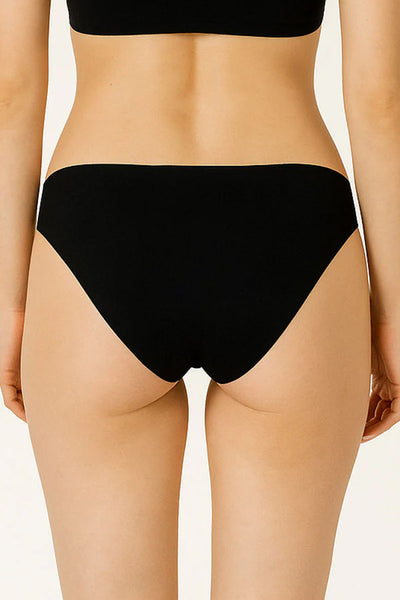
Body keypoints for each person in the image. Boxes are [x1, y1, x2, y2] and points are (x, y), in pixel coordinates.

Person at [1, 0, 399, 598]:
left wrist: (10, 306)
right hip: (292, 227)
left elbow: (10, 91)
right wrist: (393, 316)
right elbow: (380, 100)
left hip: (101, 228)